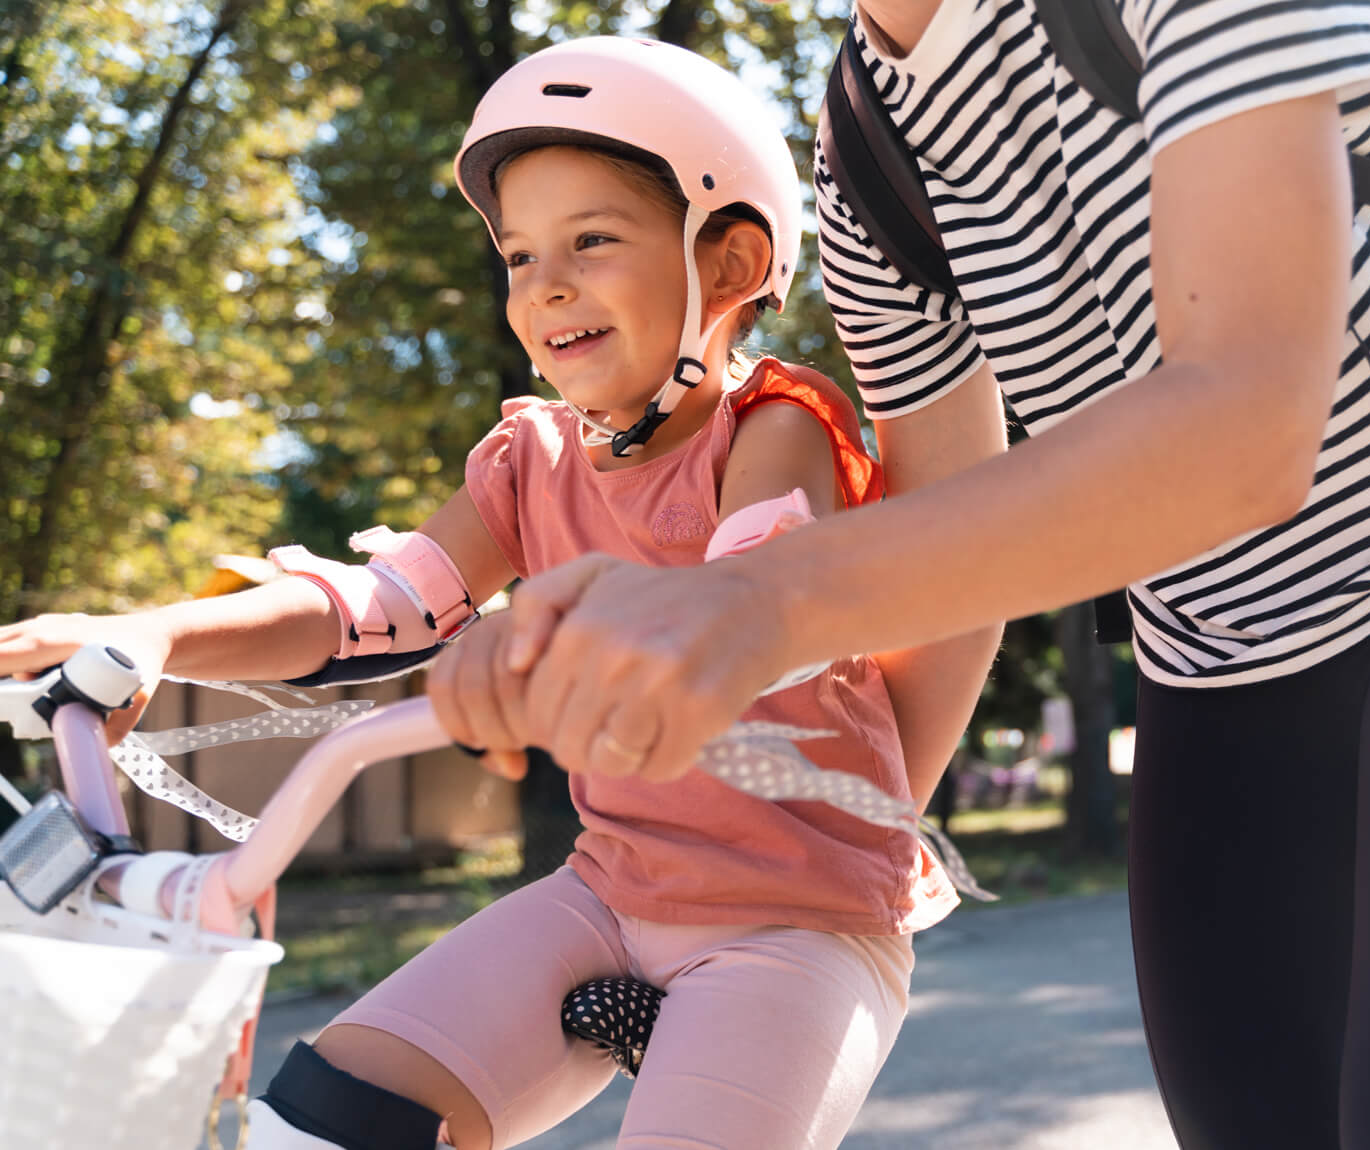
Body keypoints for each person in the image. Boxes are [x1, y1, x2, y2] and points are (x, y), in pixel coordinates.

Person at [433, 2, 1370, 1147]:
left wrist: (752, 602)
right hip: (1220, 647)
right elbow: (944, 547)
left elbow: (1249, 426)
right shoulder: (870, 142)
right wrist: (816, 873)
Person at [0, 37, 964, 1150]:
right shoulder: (528, 459)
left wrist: (559, 658)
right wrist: (151, 633)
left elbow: (752, 605)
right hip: (608, 890)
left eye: (591, 241)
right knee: (314, 1124)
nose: (544, 284)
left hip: (799, 919)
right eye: (516, 255)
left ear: (733, 267)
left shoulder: (778, 427)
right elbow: (377, 608)